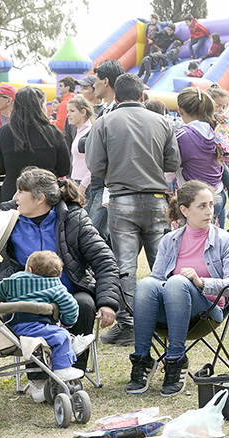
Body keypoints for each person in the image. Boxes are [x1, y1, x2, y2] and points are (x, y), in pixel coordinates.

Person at [86, 73, 180, 347]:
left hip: (122, 198)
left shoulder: (104, 122)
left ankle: (128, 323)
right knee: (163, 262)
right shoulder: (162, 122)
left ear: (116, 96)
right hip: (155, 199)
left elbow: (95, 166)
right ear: (142, 96)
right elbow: (172, 162)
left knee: (125, 265)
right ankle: (166, 318)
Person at [126, 181, 229, 397]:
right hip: (170, 311)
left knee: (178, 282)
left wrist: (201, 282)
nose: (210, 211)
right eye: (202, 206)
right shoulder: (169, 241)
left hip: (207, 312)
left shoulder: (225, 241)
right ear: (184, 210)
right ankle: (142, 360)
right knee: (145, 284)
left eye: (211, 204)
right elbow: (156, 281)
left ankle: (176, 359)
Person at [1, 167, 120, 374]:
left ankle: (73, 372)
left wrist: (107, 302)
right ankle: (38, 376)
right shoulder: (7, 218)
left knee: (83, 303)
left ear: (40, 199)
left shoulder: (74, 218)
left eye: (20, 192)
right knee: (27, 308)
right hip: (27, 293)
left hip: (70, 288)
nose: (14, 197)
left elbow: (105, 260)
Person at [0, 250, 94, 398]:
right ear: (58, 274)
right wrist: (67, 322)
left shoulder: (13, 280)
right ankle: (62, 367)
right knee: (60, 335)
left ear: (29, 269)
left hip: (11, 327)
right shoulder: (54, 285)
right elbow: (71, 306)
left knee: (57, 333)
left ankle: (72, 343)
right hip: (34, 328)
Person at [0, 86, 70, 201]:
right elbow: (64, 169)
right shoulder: (52, 132)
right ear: (40, 106)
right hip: (45, 196)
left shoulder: (4, 132)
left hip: (13, 194)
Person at [85, 59, 126, 247]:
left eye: (96, 80)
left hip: (109, 185)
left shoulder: (119, 112)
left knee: (93, 238)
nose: (94, 85)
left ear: (106, 81)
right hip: (99, 184)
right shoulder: (107, 110)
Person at [175, 87, 226, 222]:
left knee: (195, 241)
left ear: (180, 110)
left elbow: (171, 163)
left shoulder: (182, 136)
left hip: (196, 201)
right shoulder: (214, 130)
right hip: (218, 194)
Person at [206, 85, 229, 228]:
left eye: (223, 107)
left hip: (220, 161)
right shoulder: (208, 119)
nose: (221, 110)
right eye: (217, 106)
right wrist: (216, 116)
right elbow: (208, 117)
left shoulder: (224, 124)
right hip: (211, 163)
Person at [67, 95, 95, 195]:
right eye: (68, 111)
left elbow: (93, 163)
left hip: (85, 184)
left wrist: (83, 185)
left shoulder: (89, 131)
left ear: (83, 112)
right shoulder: (79, 131)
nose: (68, 115)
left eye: (72, 111)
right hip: (76, 181)